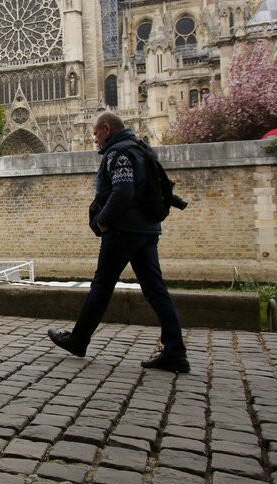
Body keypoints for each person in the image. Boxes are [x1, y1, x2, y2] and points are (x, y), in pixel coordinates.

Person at [47, 111, 190, 373]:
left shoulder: (119, 153)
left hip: (124, 230)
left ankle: (78, 340)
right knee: (155, 289)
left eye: (96, 133)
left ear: (108, 129)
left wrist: (102, 221)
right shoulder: (141, 149)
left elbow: (123, 191)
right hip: (147, 229)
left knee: (101, 286)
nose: (94, 139)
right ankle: (175, 350)